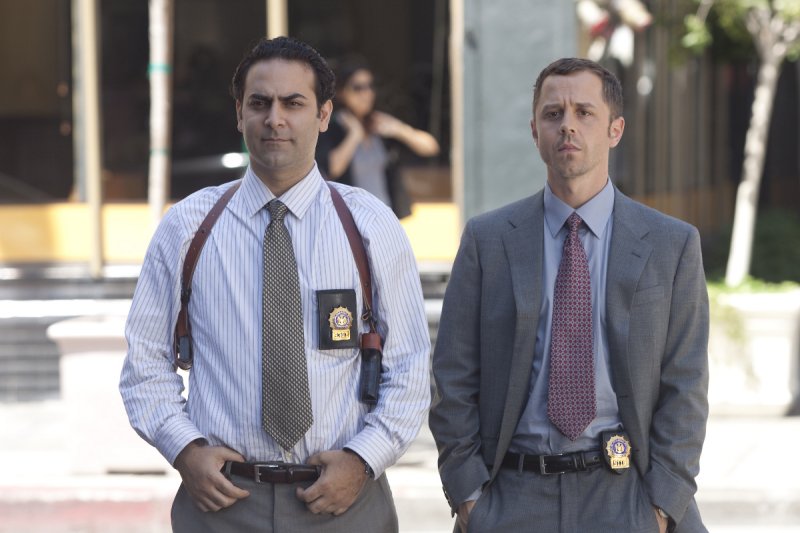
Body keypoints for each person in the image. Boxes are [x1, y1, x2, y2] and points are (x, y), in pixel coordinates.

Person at [120, 36, 431, 532]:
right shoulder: (187, 227)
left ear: (324, 115)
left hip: (345, 504)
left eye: (293, 103)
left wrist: (362, 460)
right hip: (221, 506)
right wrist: (185, 450)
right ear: (239, 113)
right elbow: (144, 363)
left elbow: (410, 365)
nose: (275, 119)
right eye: (260, 103)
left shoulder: (371, 225)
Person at [429, 57, 709, 533]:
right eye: (553, 114)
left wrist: (663, 506)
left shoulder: (672, 244)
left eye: (584, 112)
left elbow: (686, 384)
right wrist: (469, 497)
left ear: (615, 130)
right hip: (511, 498)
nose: (567, 126)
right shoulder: (488, 240)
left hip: (626, 496)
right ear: (534, 131)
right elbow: (453, 375)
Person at [315, 59, 439, 219]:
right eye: (358, 87)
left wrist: (399, 129)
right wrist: (354, 136)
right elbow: (331, 169)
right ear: (341, 92)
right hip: (351, 221)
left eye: (370, 86)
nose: (366, 94)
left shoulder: (379, 125)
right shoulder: (332, 127)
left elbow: (430, 147)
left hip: (384, 218)